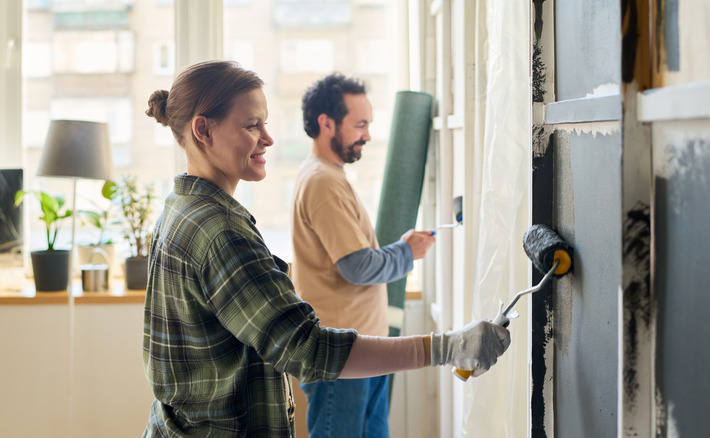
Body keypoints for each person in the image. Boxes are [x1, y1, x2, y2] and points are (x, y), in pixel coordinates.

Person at [142, 60, 511, 438]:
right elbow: (308, 346)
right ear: (203, 130)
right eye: (253, 125)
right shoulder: (221, 230)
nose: (268, 138)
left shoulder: (183, 207)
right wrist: (448, 347)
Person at [291, 72, 435, 438]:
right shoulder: (322, 181)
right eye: (360, 124)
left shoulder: (329, 175)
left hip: (362, 348)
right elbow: (357, 266)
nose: (367, 135)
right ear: (327, 124)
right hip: (342, 354)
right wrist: (407, 252)